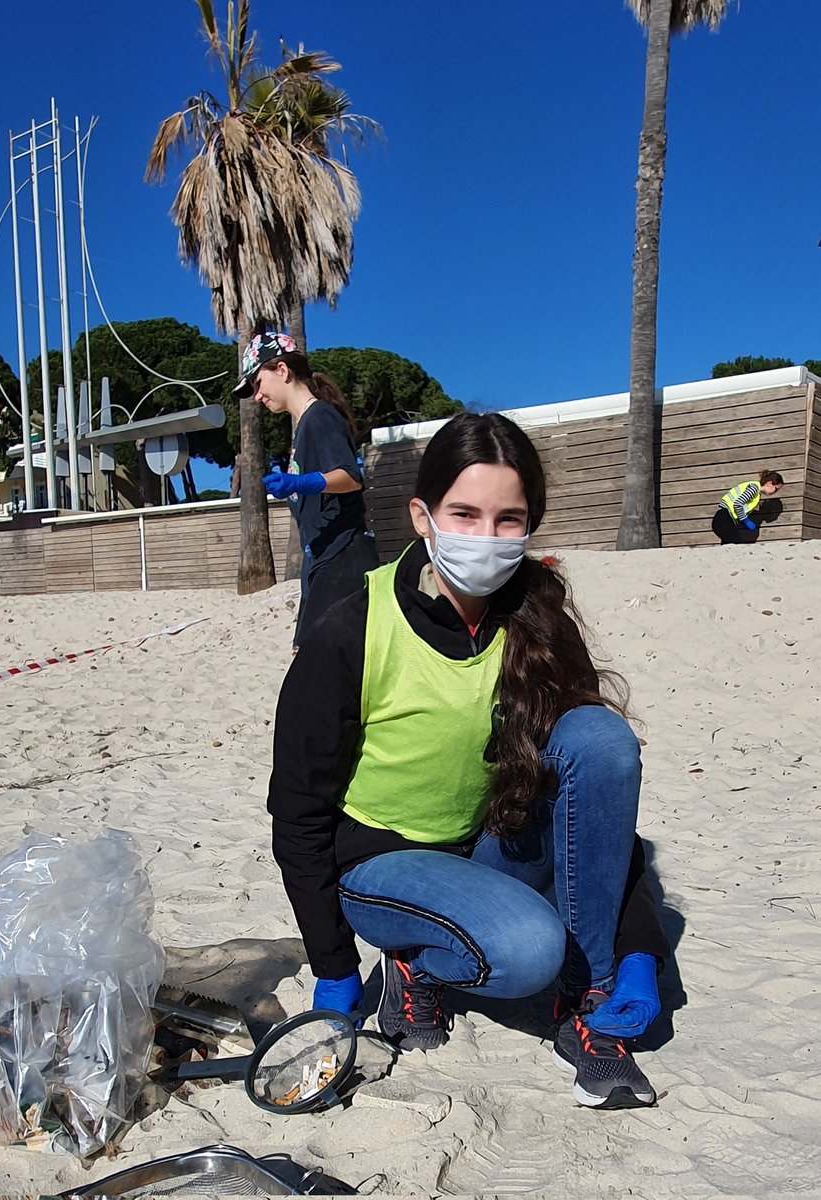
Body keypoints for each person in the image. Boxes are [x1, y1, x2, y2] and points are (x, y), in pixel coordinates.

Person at [267, 412, 669, 1111]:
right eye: (463, 513)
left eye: (507, 519)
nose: (484, 538)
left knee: (600, 737)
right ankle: (412, 969)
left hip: (484, 848)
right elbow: (297, 809)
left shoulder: (536, 615)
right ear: (421, 516)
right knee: (528, 950)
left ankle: (595, 1004)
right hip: (381, 865)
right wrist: (334, 969)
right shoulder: (352, 627)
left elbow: (596, 804)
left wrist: (636, 949)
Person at [233, 332, 379, 648]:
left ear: (282, 371)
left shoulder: (320, 417)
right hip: (323, 560)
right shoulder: (303, 428)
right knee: (311, 659)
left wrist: (302, 482)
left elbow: (350, 477)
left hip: (344, 557)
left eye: (258, 383)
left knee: (320, 664)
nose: (256, 396)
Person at [712, 470, 784, 544]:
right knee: (735, 543)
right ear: (769, 483)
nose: (775, 492)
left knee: (729, 545)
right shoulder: (754, 489)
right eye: (776, 489)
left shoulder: (757, 494)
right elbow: (738, 504)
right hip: (724, 519)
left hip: (726, 520)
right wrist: (746, 520)